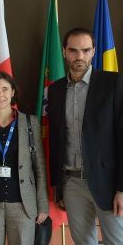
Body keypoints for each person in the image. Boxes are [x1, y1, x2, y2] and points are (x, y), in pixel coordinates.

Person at [48, 27, 123, 244]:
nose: (79, 56)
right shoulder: (55, 90)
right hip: (71, 183)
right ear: (64, 52)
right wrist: (58, 186)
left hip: (108, 183)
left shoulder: (114, 84)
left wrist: (121, 188)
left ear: (93, 51)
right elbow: (56, 140)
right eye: (73, 50)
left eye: (85, 50)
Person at [0, 72, 49, 245]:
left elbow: (39, 168)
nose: (0, 94)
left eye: (5, 89)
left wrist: (43, 204)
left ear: (13, 92)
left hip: (23, 205)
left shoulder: (30, 123)